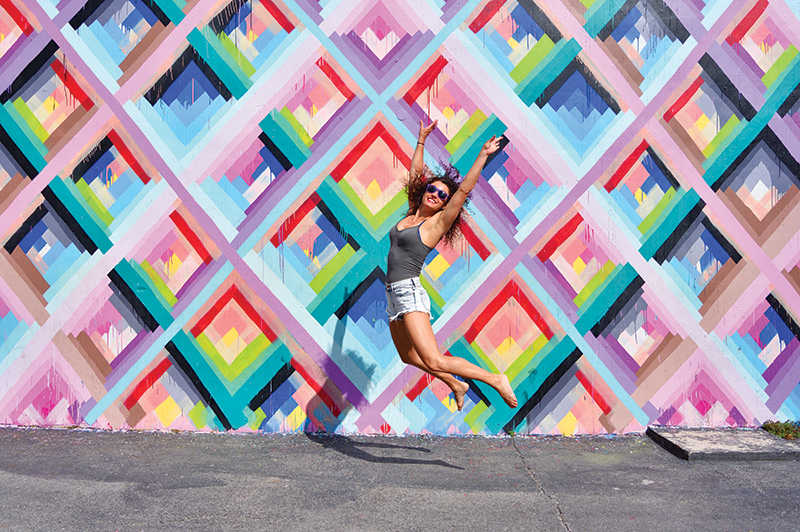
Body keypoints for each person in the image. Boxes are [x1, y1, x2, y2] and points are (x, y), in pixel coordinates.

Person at [385, 119, 518, 411]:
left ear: (446, 205)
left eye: (442, 196)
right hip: (393, 292)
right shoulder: (412, 213)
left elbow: (462, 193)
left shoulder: (435, 224)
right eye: (432, 189)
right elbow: (415, 174)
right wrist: (421, 140)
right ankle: (457, 384)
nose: (435, 195)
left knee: (433, 358)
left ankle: (495, 378)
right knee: (409, 356)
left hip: (409, 291)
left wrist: (482, 156)